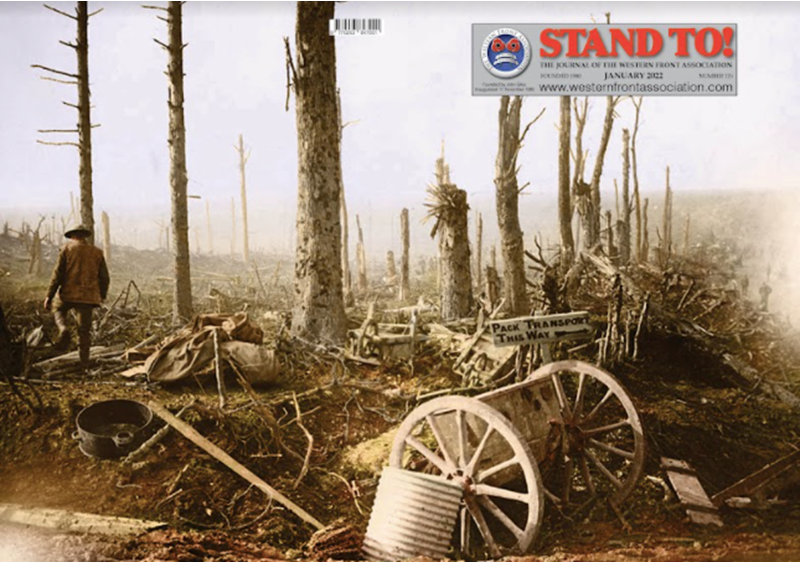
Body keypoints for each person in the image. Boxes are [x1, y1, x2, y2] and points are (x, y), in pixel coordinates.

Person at [43, 224, 110, 367]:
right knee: (84, 330)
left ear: (73, 236)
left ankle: (63, 329)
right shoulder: (97, 252)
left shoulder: (67, 249)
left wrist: (49, 295)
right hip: (88, 296)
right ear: (84, 236)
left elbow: (57, 274)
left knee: (58, 309)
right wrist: (102, 296)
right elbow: (105, 278)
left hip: (68, 293)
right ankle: (84, 362)